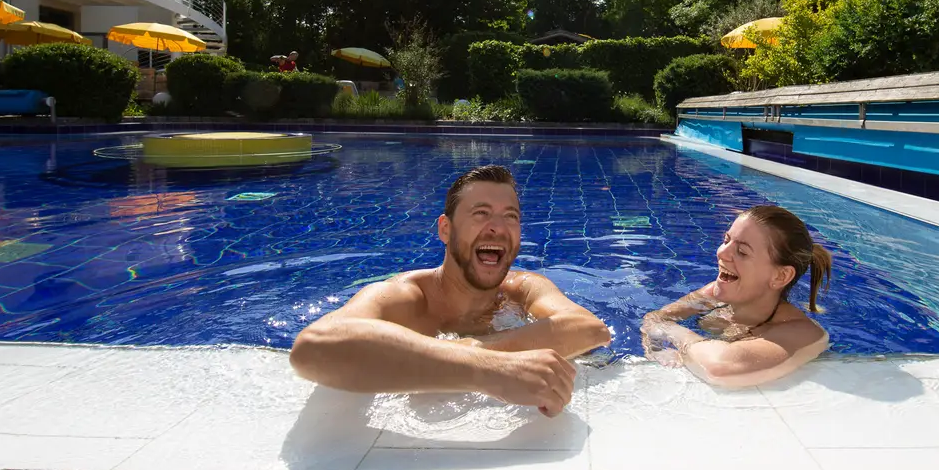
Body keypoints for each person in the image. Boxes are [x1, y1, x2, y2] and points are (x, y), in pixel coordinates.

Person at [290, 165, 612, 416]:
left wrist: (476, 348)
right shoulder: (407, 297)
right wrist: (487, 370)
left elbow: (589, 329)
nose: (498, 228)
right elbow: (312, 349)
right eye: (481, 213)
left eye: (510, 217)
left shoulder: (521, 289)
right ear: (445, 229)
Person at [642, 205, 832, 388]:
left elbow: (720, 367)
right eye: (726, 241)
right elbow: (654, 317)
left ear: (780, 276)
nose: (721, 253)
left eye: (742, 251)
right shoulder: (714, 295)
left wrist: (671, 332)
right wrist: (655, 349)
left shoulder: (802, 333)